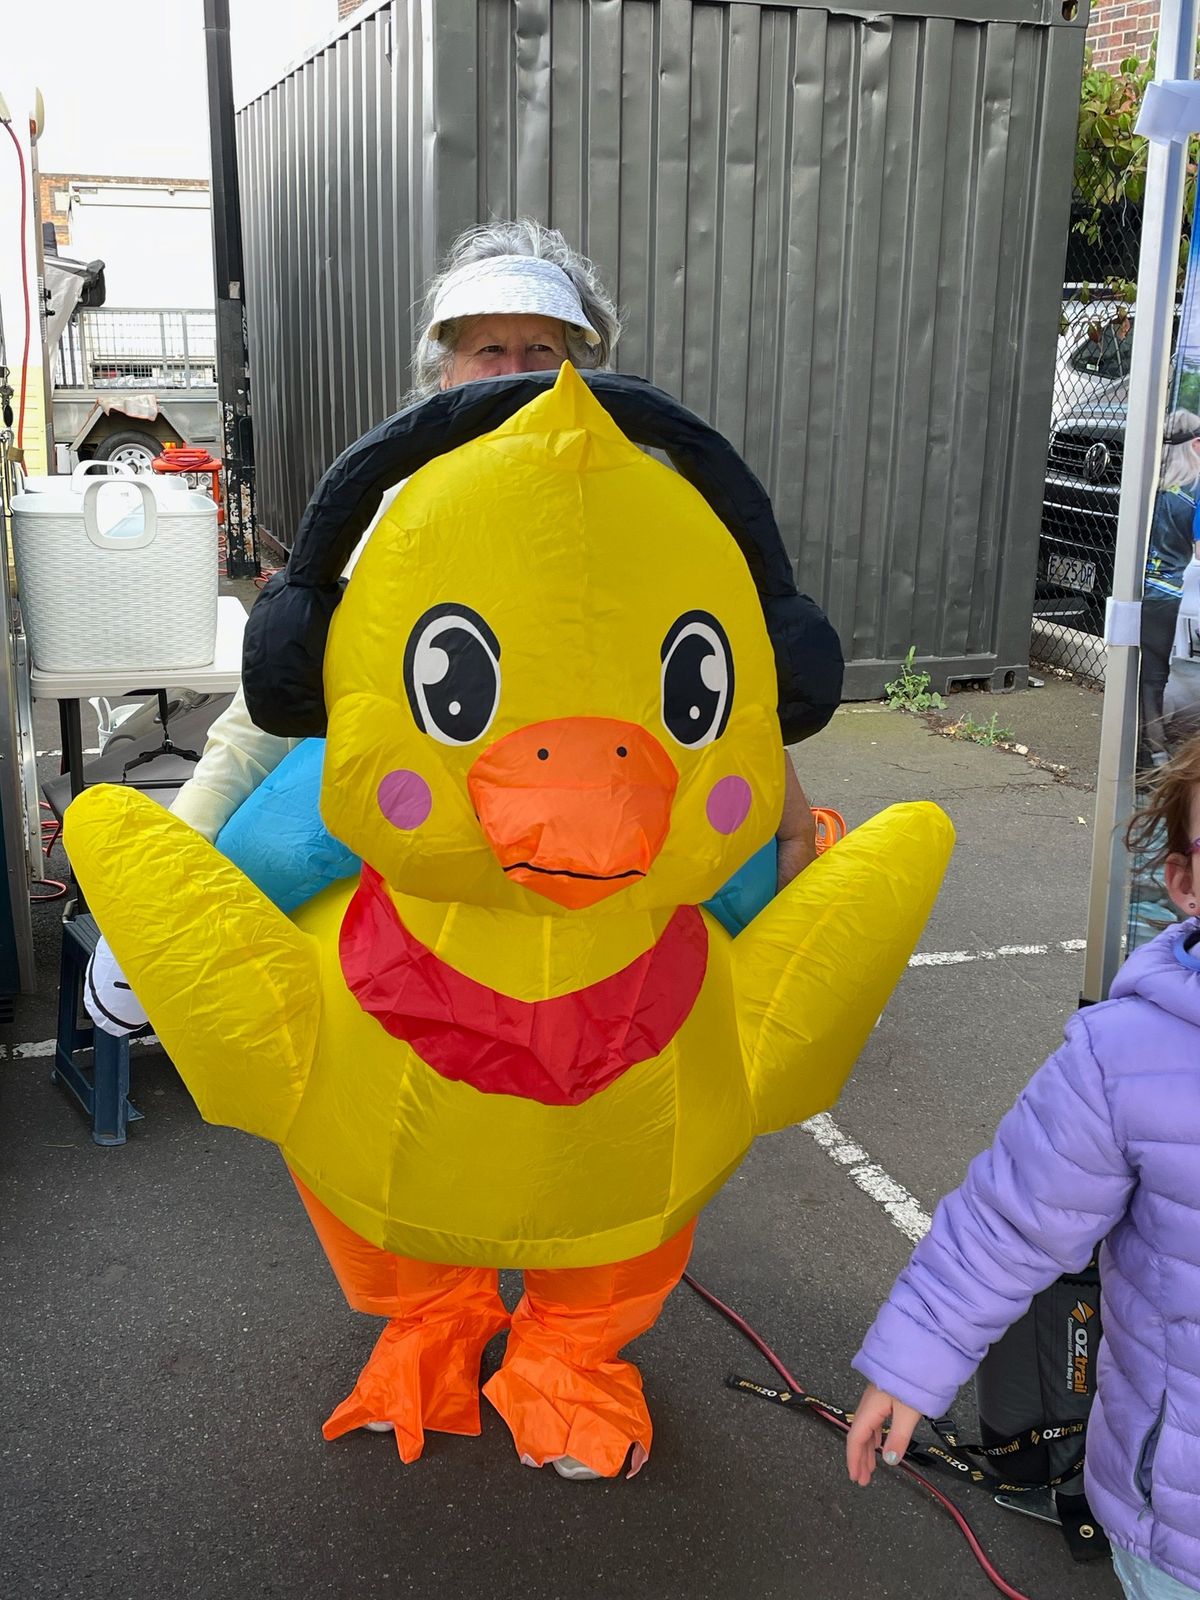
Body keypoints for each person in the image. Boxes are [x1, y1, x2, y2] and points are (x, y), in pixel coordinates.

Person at [85, 220, 819, 1033]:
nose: (516, 376)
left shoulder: (642, 499)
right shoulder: (404, 504)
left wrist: (786, 801)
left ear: (584, 368)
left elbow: (710, 666)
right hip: (440, 772)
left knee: (753, 884)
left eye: (542, 350)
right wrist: (188, 848)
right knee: (270, 853)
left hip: (612, 772)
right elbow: (283, 693)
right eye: (488, 353)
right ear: (444, 375)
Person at [845, 733, 1200, 1599]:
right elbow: (1010, 1220)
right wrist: (916, 1354)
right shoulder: (1124, 1058)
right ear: (1184, 884)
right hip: (1175, 1523)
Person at [1139, 411, 1200, 769]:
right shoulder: (1195, 491)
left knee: (1147, 675)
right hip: (1174, 595)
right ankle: (1170, 756)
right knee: (1167, 675)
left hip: (1144, 591)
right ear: (1195, 445)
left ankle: (1151, 752)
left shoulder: (1153, 488)